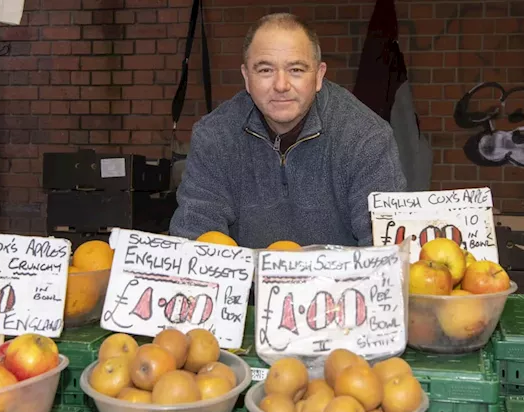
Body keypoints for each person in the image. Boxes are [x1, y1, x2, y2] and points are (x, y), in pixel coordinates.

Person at [169, 13, 407, 249]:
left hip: (341, 285)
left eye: (296, 70)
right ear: (246, 77)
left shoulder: (366, 138)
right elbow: (195, 236)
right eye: (265, 70)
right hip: (248, 285)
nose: (281, 85)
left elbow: (384, 250)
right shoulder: (215, 137)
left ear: (319, 76)